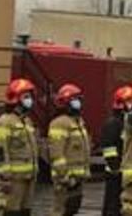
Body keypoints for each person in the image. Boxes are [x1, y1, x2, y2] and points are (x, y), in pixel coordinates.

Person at [0, 78, 40, 216]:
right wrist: (5, 177)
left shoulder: (27, 121)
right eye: (26, 97)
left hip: (28, 178)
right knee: (10, 212)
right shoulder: (5, 122)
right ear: (16, 99)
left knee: (25, 212)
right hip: (13, 181)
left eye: (30, 97)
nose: (30, 100)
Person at [47, 83, 93, 216]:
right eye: (75, 99)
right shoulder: (59, 123)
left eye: (79, 99)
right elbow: (57, 155)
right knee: (60, 211)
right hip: (66, 180)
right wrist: (65, 178)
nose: (78, 102)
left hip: (77, 179)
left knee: (72, 209)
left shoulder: (78, 122)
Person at [103, 86, 132, 216]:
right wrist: (115, 167)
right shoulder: (113, 123)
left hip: (122, 172)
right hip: (114, 173)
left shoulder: (124, 122)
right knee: (112, 206)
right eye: (130, 101)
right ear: (122, 103)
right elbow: (109, 148)